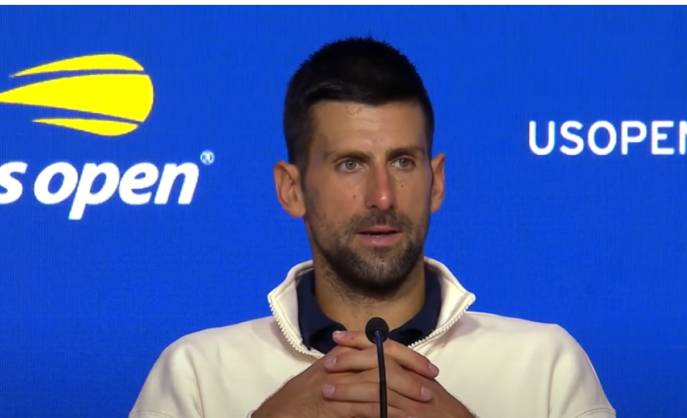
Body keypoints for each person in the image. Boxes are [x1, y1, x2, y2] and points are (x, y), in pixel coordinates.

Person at [130, 37, 615, 418]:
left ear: (436, 182)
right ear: (291, 189)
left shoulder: (546, 366)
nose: (382, 197)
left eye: (403, 161)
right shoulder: (196, 375)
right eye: (350, 164)